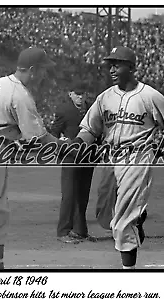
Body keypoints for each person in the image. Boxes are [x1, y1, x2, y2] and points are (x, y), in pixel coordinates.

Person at [67, 46, 164, 269]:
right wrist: (77, 143)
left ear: (131, 67)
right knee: (109, 218)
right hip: (111, 158)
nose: (112, 69)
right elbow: (90, 129)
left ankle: (129, 272)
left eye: (117, 64)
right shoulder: (105, 97)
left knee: (122, 223)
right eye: (110, 64)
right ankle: (137, 220)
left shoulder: (150, 96)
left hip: (137, 158)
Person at [0, 47, 66, 269]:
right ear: (33, 70)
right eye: (43, 70)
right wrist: (63, 147)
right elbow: (38, 138)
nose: (45, 75)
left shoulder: (1, 82)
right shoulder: (20, 94)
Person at [50, 83, 97, 244]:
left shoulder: (93, 108)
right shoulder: (64, 110)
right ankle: (63, 231)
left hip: (89, 156)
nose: (80, 97)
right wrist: (59, 141)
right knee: (69, 195)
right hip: (70, 157)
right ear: (70, 94)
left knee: (83, 195)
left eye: (83, 94)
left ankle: (80, 231)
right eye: (77, 94)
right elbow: (54, 132)